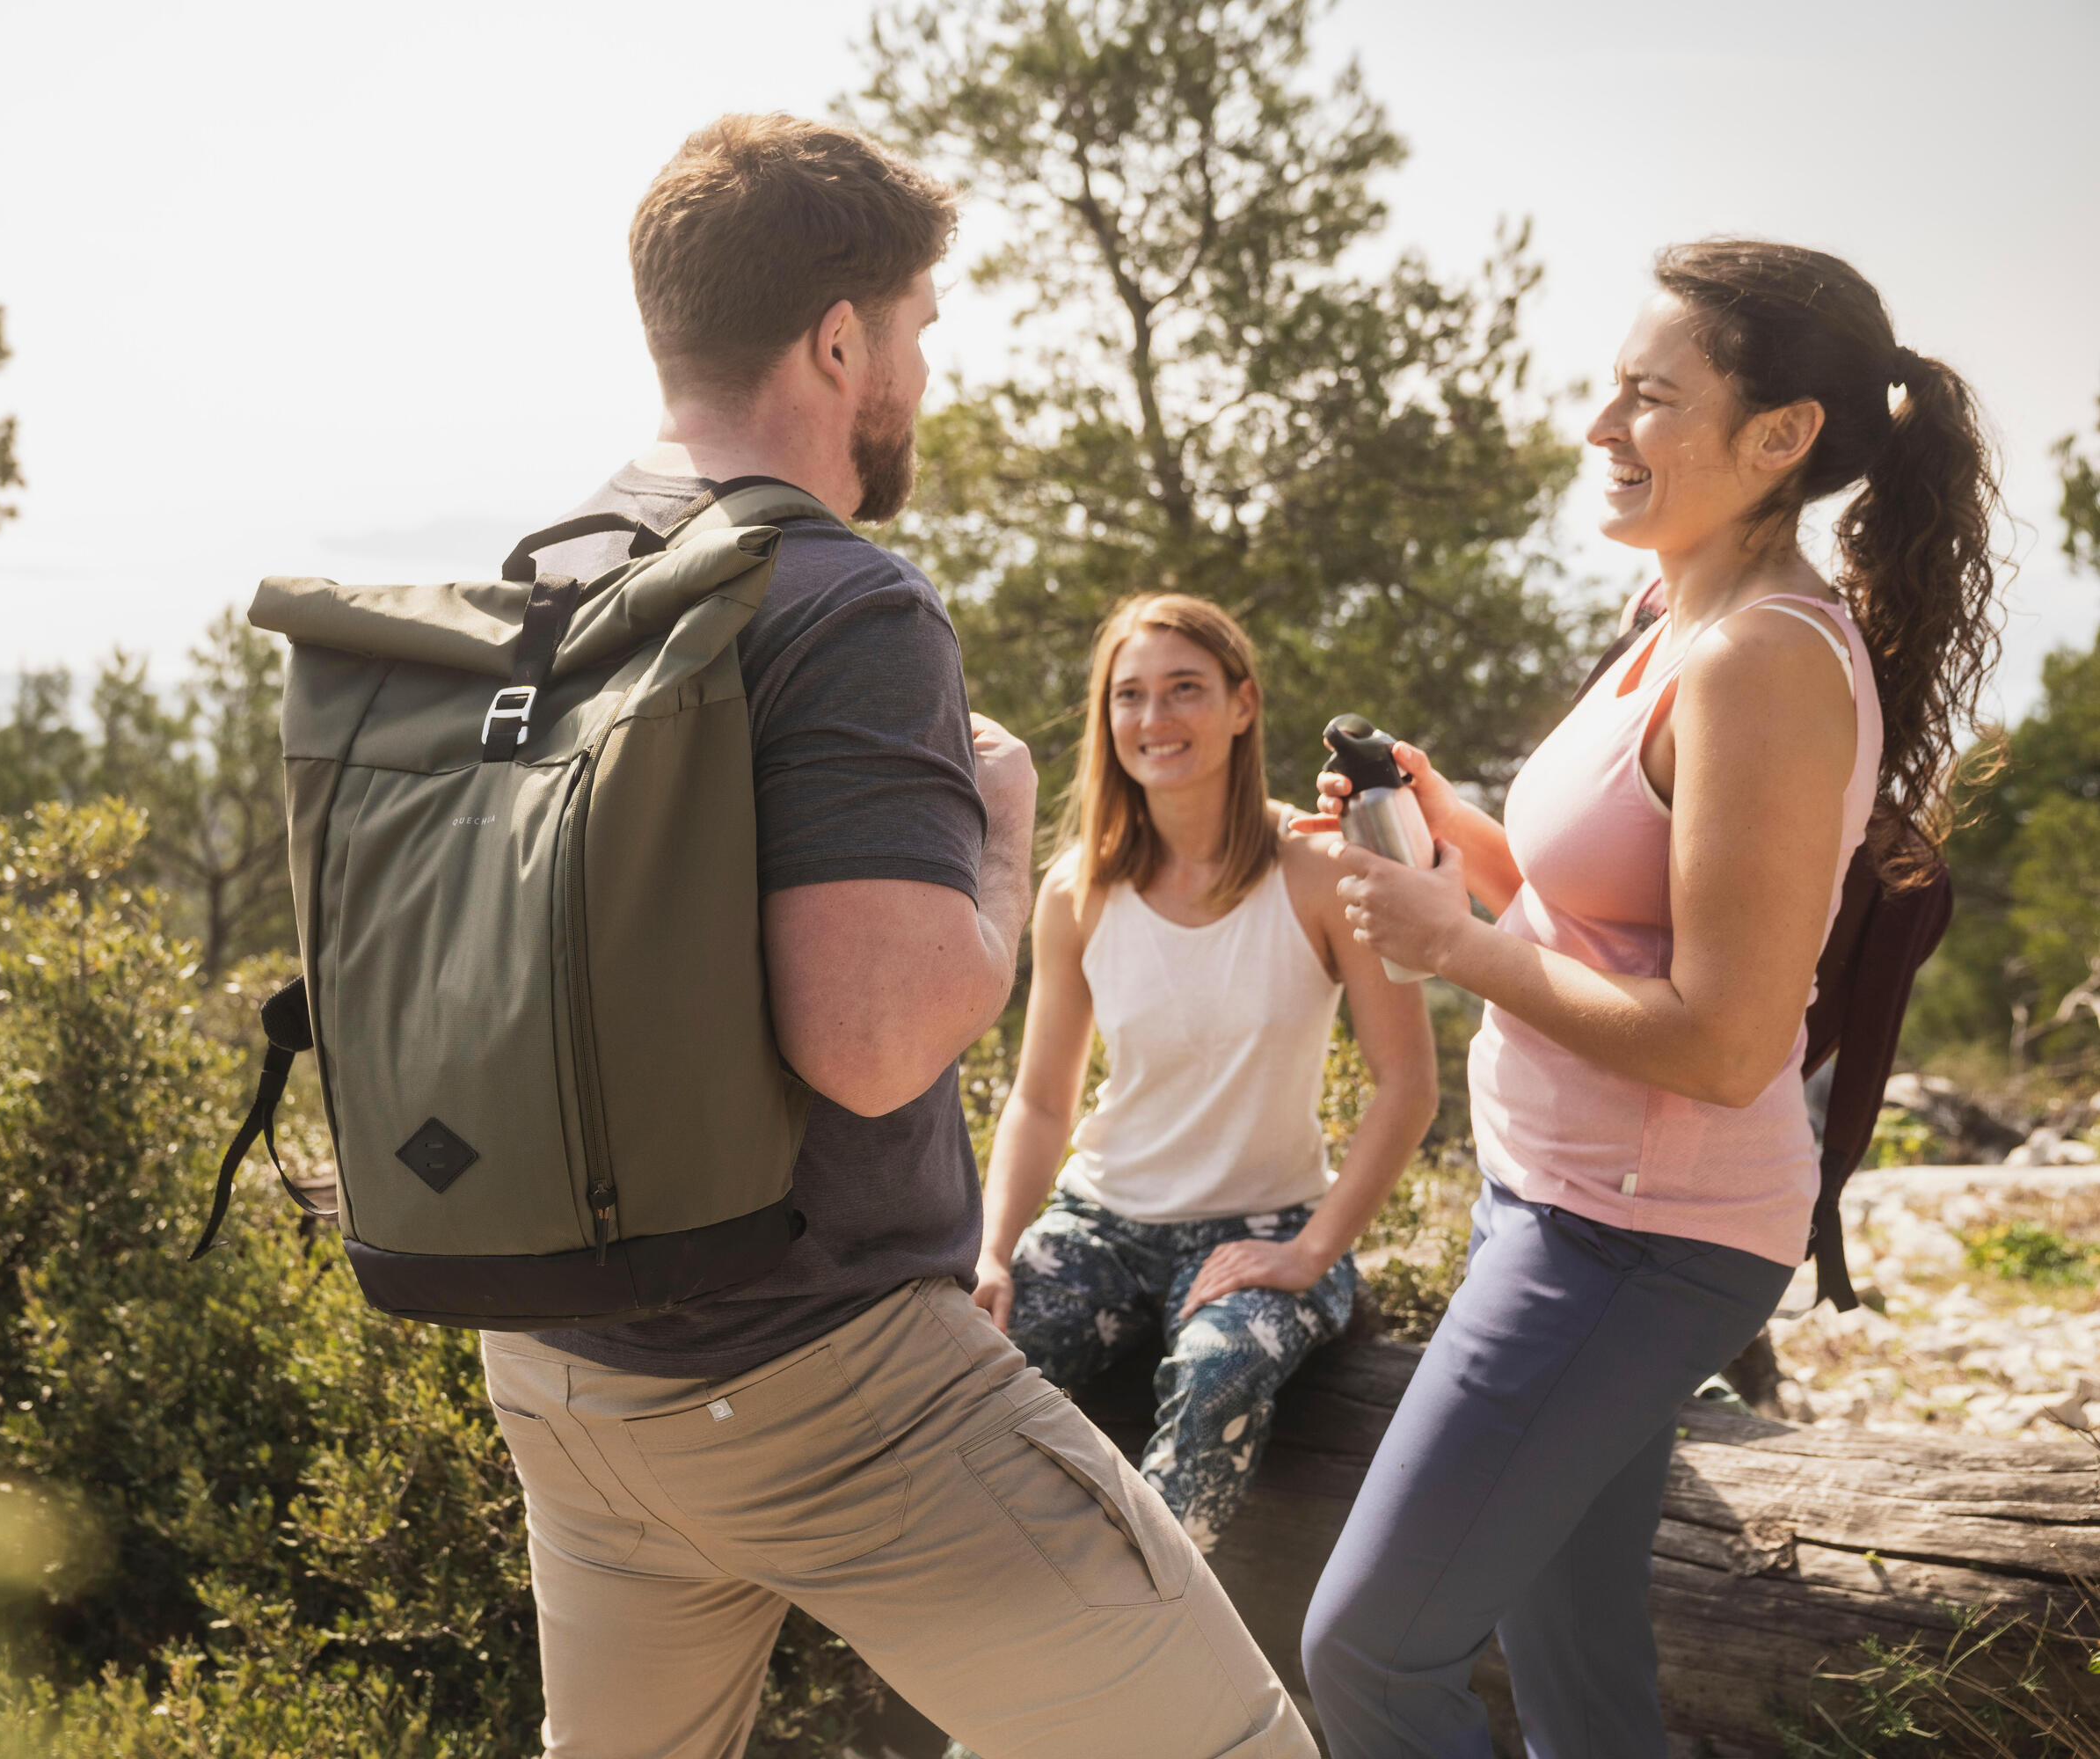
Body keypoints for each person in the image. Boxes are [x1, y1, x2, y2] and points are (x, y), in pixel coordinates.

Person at [473, 115, 1313, 1759]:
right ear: (839, 338)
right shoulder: (845, 597)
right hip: (823, 1383)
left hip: (565, 1375)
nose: (923, 371)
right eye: (919, 329)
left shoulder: (552, 571)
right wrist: (1001, 838)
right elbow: (868, 1044)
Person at [1296, 239, 2004, 1758]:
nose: (1599, 431)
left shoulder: (1763, 662)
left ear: (1781, 438)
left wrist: (1452, 946)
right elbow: (1588, 911)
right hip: (1559, 1204)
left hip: (1635, 1237)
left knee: (1366, 1653)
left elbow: (1729, 1039)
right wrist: (1436, 820)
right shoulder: (1675, 613)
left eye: (1647, 400)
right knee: (1578, 1670)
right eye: (1605, 392)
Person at [973, 594, 1437, 1551]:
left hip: (1264, 1226)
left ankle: (1147, 1647)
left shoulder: (1317, 869)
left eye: (1186, 689)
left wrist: (1311, 1251)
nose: (1156, 719)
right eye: (1131, 696)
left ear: (1242, 704)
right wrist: (992, 1246)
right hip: (1101, 1220)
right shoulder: (1077, 890)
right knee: (976, 1379)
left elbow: (1407, 1083)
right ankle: (993, 1643)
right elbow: (1042, 1097)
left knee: (1220, 1372)